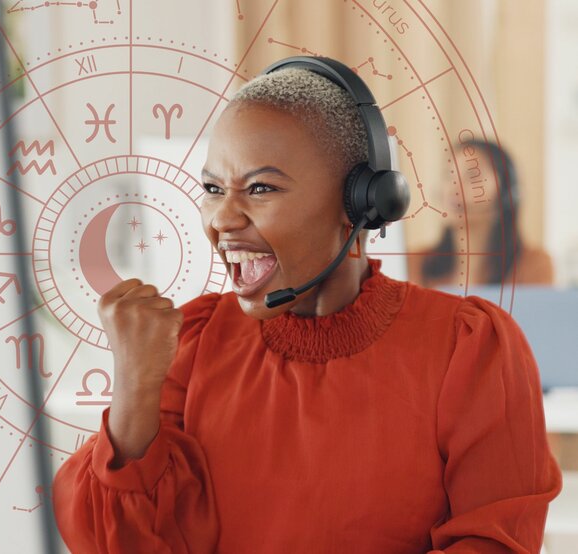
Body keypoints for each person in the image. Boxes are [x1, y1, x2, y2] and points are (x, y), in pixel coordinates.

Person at [51, 62, 562, 553]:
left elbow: (493, 543)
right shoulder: (195, 340)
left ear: (360, 203)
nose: (223, 218)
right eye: (212, 189)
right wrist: (135, 387)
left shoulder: (468, 349)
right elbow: (121, 542)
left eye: (261, 188)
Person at [407, 139, 554, 288]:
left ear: (504, 193)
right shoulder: (414, 263)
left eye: (472, 176)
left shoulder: (533, 265)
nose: (453, 188)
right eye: (449, 175)